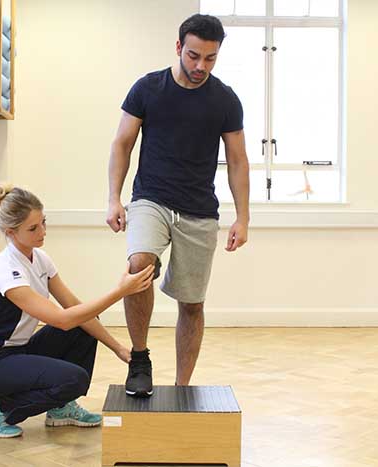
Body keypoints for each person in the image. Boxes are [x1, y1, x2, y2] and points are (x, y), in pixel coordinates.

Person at [106, 14, 250, 398]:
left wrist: (243, 217)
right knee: (139, 266)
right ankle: (139, 359)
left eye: (210, 58)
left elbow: (237, 160)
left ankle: (182, 387)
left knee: (192, 304)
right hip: (151, 197)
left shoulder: (225, 99)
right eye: (193, 55)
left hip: (199, 210)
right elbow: (123, 143)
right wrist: (113, 198)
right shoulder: (148, 88)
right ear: (178, 48)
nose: (200, 65)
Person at [0, 183, 154, 437]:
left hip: (20, 351)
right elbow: (62, 320)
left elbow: (75, 308)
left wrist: (119, 348)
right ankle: (0, 405)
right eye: (33, 228)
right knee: (73, 379)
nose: (42, 231)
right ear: (11, 232)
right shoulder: (6, 271)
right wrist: (121, 291)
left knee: (86, 321)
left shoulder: (41, 259)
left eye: (43, 222)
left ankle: (60, 409)